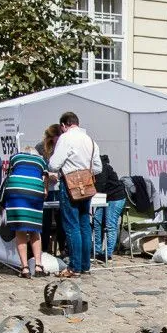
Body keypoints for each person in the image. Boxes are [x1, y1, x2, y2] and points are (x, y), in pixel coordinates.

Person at [48, 111, 102, 278]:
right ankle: (85, 265)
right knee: (85, 225)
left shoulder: (66, 138)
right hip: (87, 185)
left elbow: (54, 164)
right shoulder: (90, 140)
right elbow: (98, 168)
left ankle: (74, 267)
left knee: (72, 227)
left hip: (70, 184)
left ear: (64, 125)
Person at [4, 128, 54, 279]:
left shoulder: (15, 157)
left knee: (20, 231)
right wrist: (44, 192)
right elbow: (45, 183)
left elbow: (9, 174)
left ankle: (24, 268)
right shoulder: (41, 160)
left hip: (16, 192)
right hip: (34, 193)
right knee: (35, 229)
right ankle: (38, 266)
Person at [92, 155, 133, 263]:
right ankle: (97, 251)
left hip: (116, 197)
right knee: (96, 221)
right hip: (104, 197)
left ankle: (108, 254)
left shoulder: (101, 167)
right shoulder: (94, 166)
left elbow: (99, 185)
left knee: (110, 224)